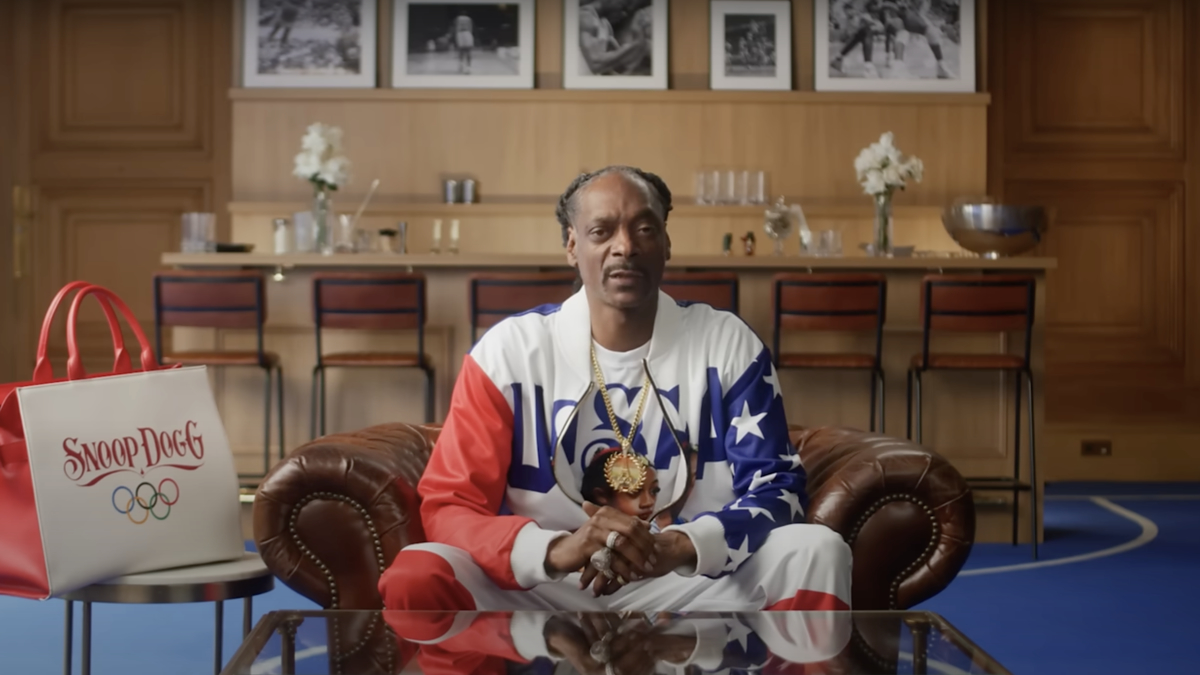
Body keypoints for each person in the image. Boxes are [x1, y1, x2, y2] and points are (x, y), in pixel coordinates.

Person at [378, 165, 851, 614]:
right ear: (572, 245)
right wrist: (556, 549)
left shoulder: (728, 343)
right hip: (547, 581)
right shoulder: (508, 351)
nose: (625, 246)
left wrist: (680, 545)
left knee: (817, 550)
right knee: (419, 572)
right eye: (601, 231)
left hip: (691, 577)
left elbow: (778, 490)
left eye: (644, 229)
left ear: (666, 243)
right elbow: (451, 504)